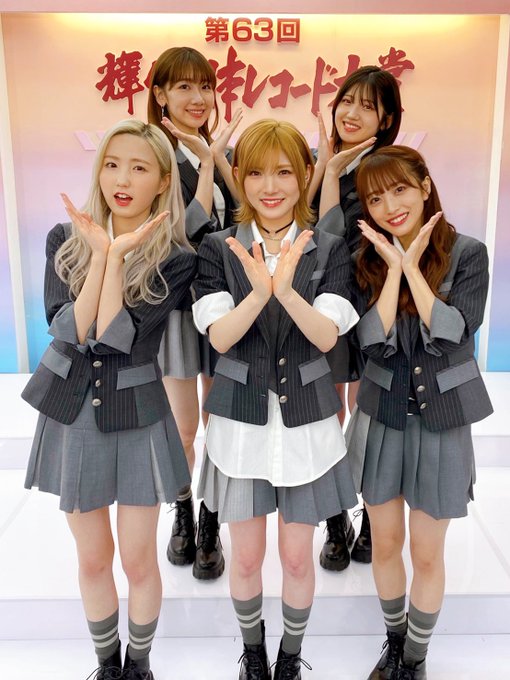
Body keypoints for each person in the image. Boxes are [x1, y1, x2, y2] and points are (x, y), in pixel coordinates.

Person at [22, 119, 197, 680]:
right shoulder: (63, 238)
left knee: (138, 559)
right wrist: (100, 256)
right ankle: (107, 665)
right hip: (72, 409)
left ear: (162, 181)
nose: (122, 179)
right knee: (93, 557)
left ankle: (138, 666)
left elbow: (119, 337)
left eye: (139, 168)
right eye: (113, 164)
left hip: (138, 413)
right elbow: (69, 331)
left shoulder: (177, 258)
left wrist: (119, 258)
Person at [192, 119, 360, 679]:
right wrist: (259, 292)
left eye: (285, 172)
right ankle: (254, 655)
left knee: (294, 558)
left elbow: (327, 336)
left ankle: (289, 657)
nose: (270, 186)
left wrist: (284, 291)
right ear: (239, 177)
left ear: (306, 175)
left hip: (307, 425)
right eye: (257, 173)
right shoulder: (218, 247)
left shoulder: (328, 248)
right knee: (245, 557)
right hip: (239, 425)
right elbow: (219, 337)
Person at [347, 145, 493, 679]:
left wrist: (413, 269)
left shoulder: (467, 253)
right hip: (382, 417)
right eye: (375, 198)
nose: (390, 207)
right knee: (385, 543)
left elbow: (454, 332)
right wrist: (393, 271)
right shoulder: (363, 258)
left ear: (425, 186)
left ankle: (414, 659)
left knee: (428, 553)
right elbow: (369, 340)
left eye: (400, 190)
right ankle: (394, 643)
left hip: (442, 419)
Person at [148, 46, 240, 580]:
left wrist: (217, 159)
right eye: (183, 86)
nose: (197, 97)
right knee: (184, 428)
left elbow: (246, 212)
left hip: (227, 306)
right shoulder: (154, 153)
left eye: (204, 86)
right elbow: (185, 230)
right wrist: (206, 165)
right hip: (180, 308)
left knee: (218, 422)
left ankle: (211, 519)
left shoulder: (215, 149)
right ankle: (182, 512)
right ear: (160, 94)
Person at [312, 65, 402, 573]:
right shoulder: (317, 162)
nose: (352, 113)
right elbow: (313, 241)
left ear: (385, 119)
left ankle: (370, 515)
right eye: (347, 101)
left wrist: (332, 175)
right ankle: (334, 520)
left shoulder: (384, 171)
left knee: (368, 413)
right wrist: (326, 172)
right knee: (328, 415)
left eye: (367, 106)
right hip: (322, 309)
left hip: (372, 305)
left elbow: (344, 244)